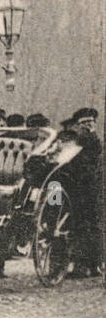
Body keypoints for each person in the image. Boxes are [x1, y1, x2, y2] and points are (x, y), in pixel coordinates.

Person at [63, 107, 102, 279]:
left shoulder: (94, 140)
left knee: (89, 226)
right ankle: (85, 264)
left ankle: (90, 265)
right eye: (83, 123)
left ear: (94, 124)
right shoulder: (76, 141)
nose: (87, 126)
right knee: (81, 225)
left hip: (91, 189)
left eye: (90, 122)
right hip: (75, 188)